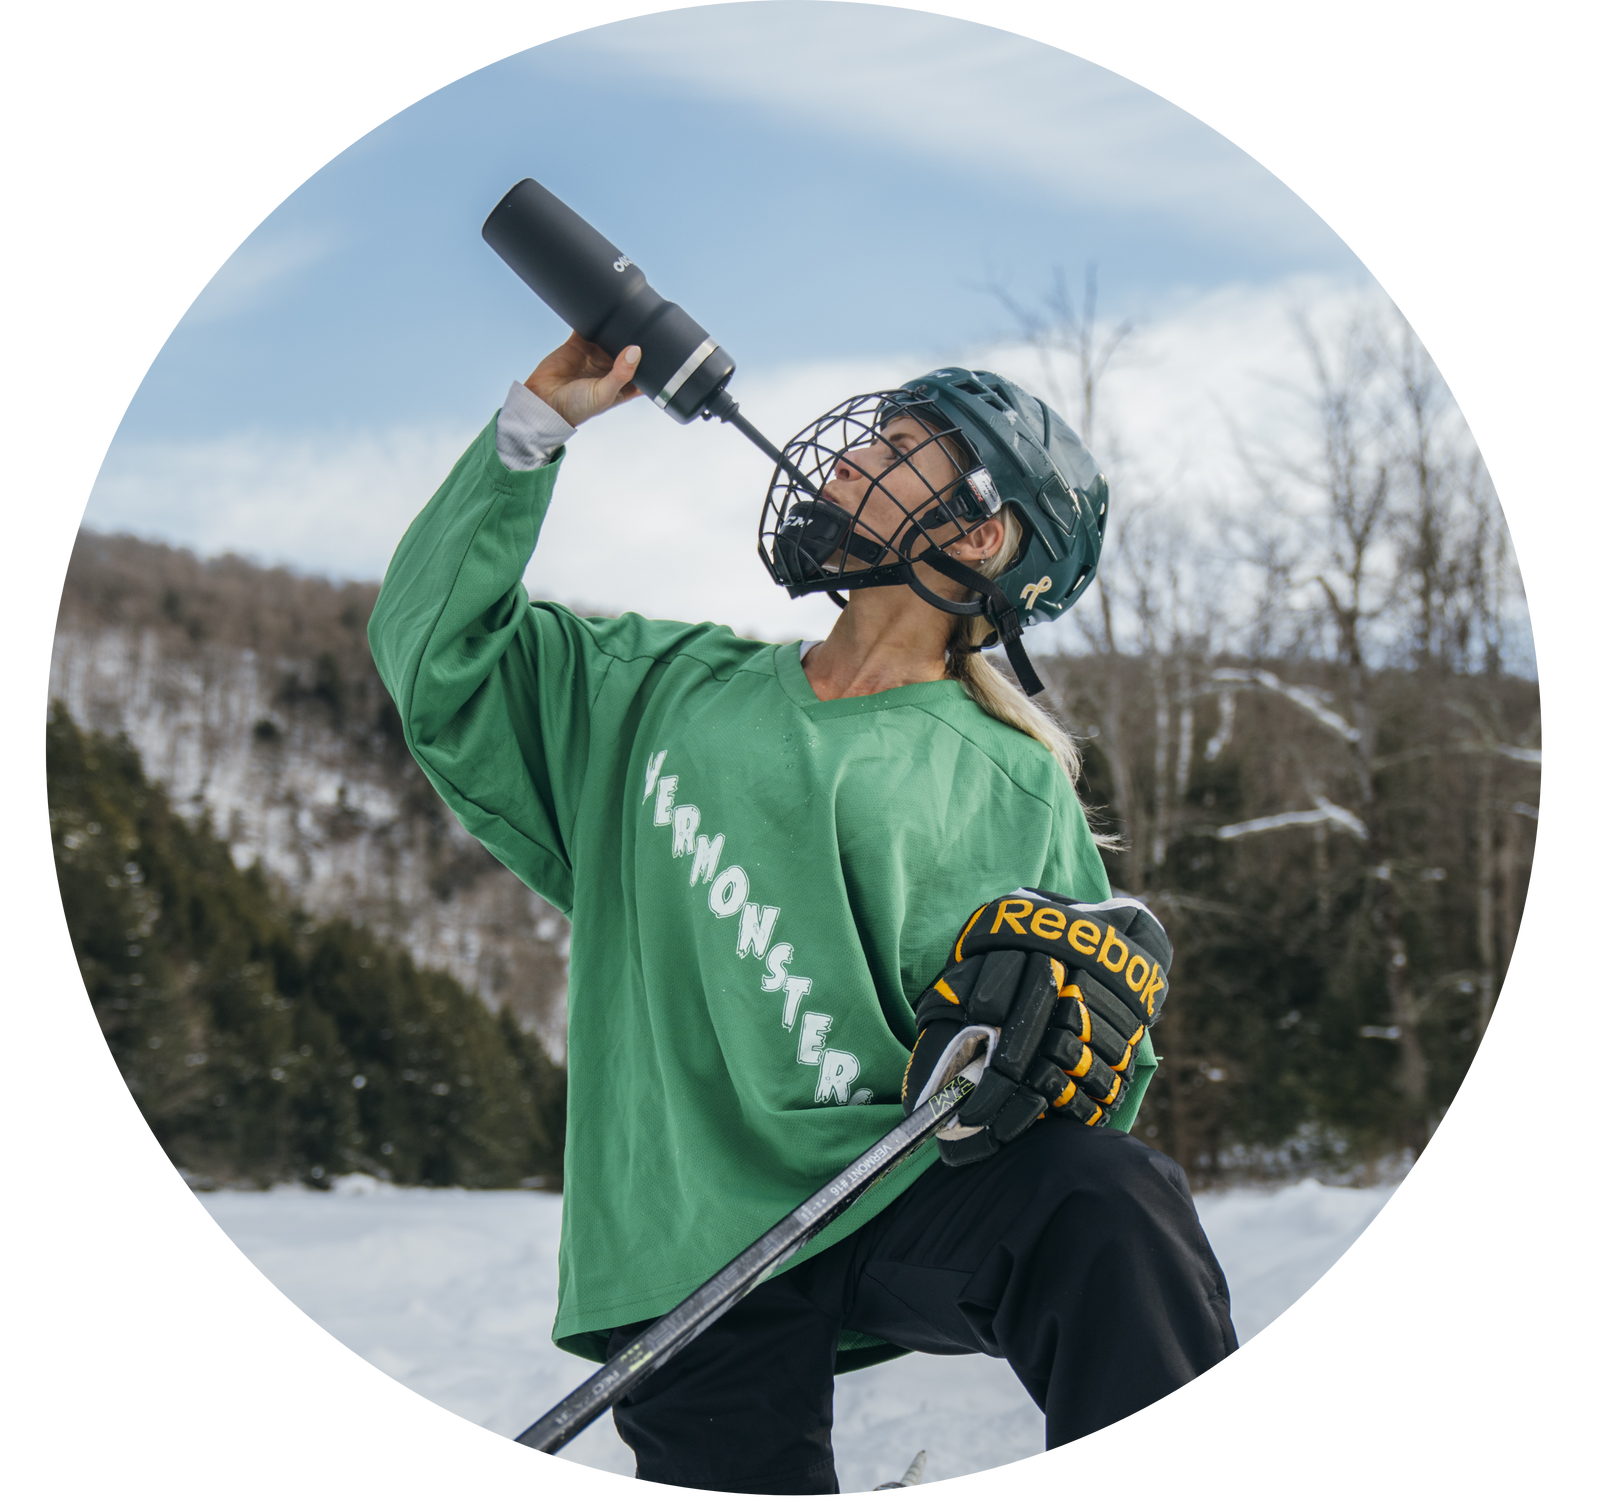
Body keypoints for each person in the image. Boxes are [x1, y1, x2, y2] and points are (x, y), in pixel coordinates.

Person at [369, 333, 1238, 1494]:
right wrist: (536, 425)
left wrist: (1052, 1034)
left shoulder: (1013, 779)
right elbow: (436, 652)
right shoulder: (659, 688)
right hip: (687, 1235)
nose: (851, 454)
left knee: (1111, 1205)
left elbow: (1094, 1064)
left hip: (884, 1190)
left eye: (898, 445)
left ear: (979, 533)